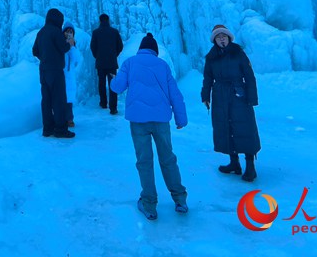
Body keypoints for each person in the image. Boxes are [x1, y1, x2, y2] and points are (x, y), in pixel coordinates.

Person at [111, 32, 188, 220]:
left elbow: (117, 87)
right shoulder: (162, 65)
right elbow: (175, 94)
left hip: (138, 121)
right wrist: (181, 119)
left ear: (140, 50)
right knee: (168, 158)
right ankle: (180, 199)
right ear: (154, 51)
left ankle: (149, 205)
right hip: (161, 120)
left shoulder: (130, 63)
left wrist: (114, 78)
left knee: (144, 161)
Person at [200, 24, 261, 182]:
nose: (222, 39)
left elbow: (249, 76)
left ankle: (250, 167)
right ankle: (234, 163)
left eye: (224, 36)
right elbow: (207, 78)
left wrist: (251, 98)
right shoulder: (211, 57)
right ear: (215, 40)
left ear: (228, 38)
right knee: (225, 128)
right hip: (220, 95)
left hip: (238, 94)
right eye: (218, 37)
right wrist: (205, 96)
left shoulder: (238, 53)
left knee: (244, 128)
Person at [32, 8, 75, 138]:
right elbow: (63, 47)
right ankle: (61, 130)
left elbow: (35, 51)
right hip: (56, 71)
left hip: (43, 71)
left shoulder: (41, 32)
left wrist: (45, 58)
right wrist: (70, 43)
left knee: (46, 100)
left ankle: (47, 129)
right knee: (59, 100)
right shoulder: (56, 32)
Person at [90, 13, 123, 115]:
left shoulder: (96, 33)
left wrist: (97, 56)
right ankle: (113, 108)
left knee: (101, 83)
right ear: (108, 20)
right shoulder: (114, 32)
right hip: (112, 63)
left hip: (100, 63)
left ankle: (103, 103)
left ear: (100, 21)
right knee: (112, 84)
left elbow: (92, 47)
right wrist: (114, 55)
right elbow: (120, 46)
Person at [62, 22, 83, 127]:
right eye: (67, 31)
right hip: (61, 74)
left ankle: (69, 119)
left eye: (71, 32)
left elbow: (77, 59)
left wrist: (72, 46)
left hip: (69, 76)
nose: (69, 34)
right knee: (60, 98)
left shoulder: (73, 45)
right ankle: (60, 118)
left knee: (69, 97)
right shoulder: (60, 43)